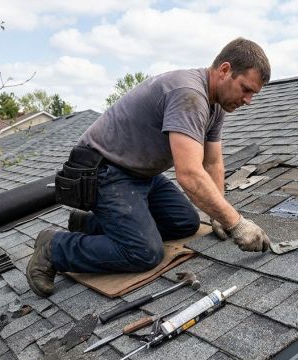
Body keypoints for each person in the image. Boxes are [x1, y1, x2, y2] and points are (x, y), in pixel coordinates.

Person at [26, 38, 272, 297]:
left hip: (140, 174)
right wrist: (236, 223)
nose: (248, 100)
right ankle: (55, 247)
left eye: (253, 93)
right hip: (104, 171)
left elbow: (211, 162)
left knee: (186, 223)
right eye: (246, 89)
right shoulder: (189, 95)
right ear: (224, 70)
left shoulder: (216, 106)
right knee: (144, 252)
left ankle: (92, 224)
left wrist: (219, 213)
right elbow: (189, 174)